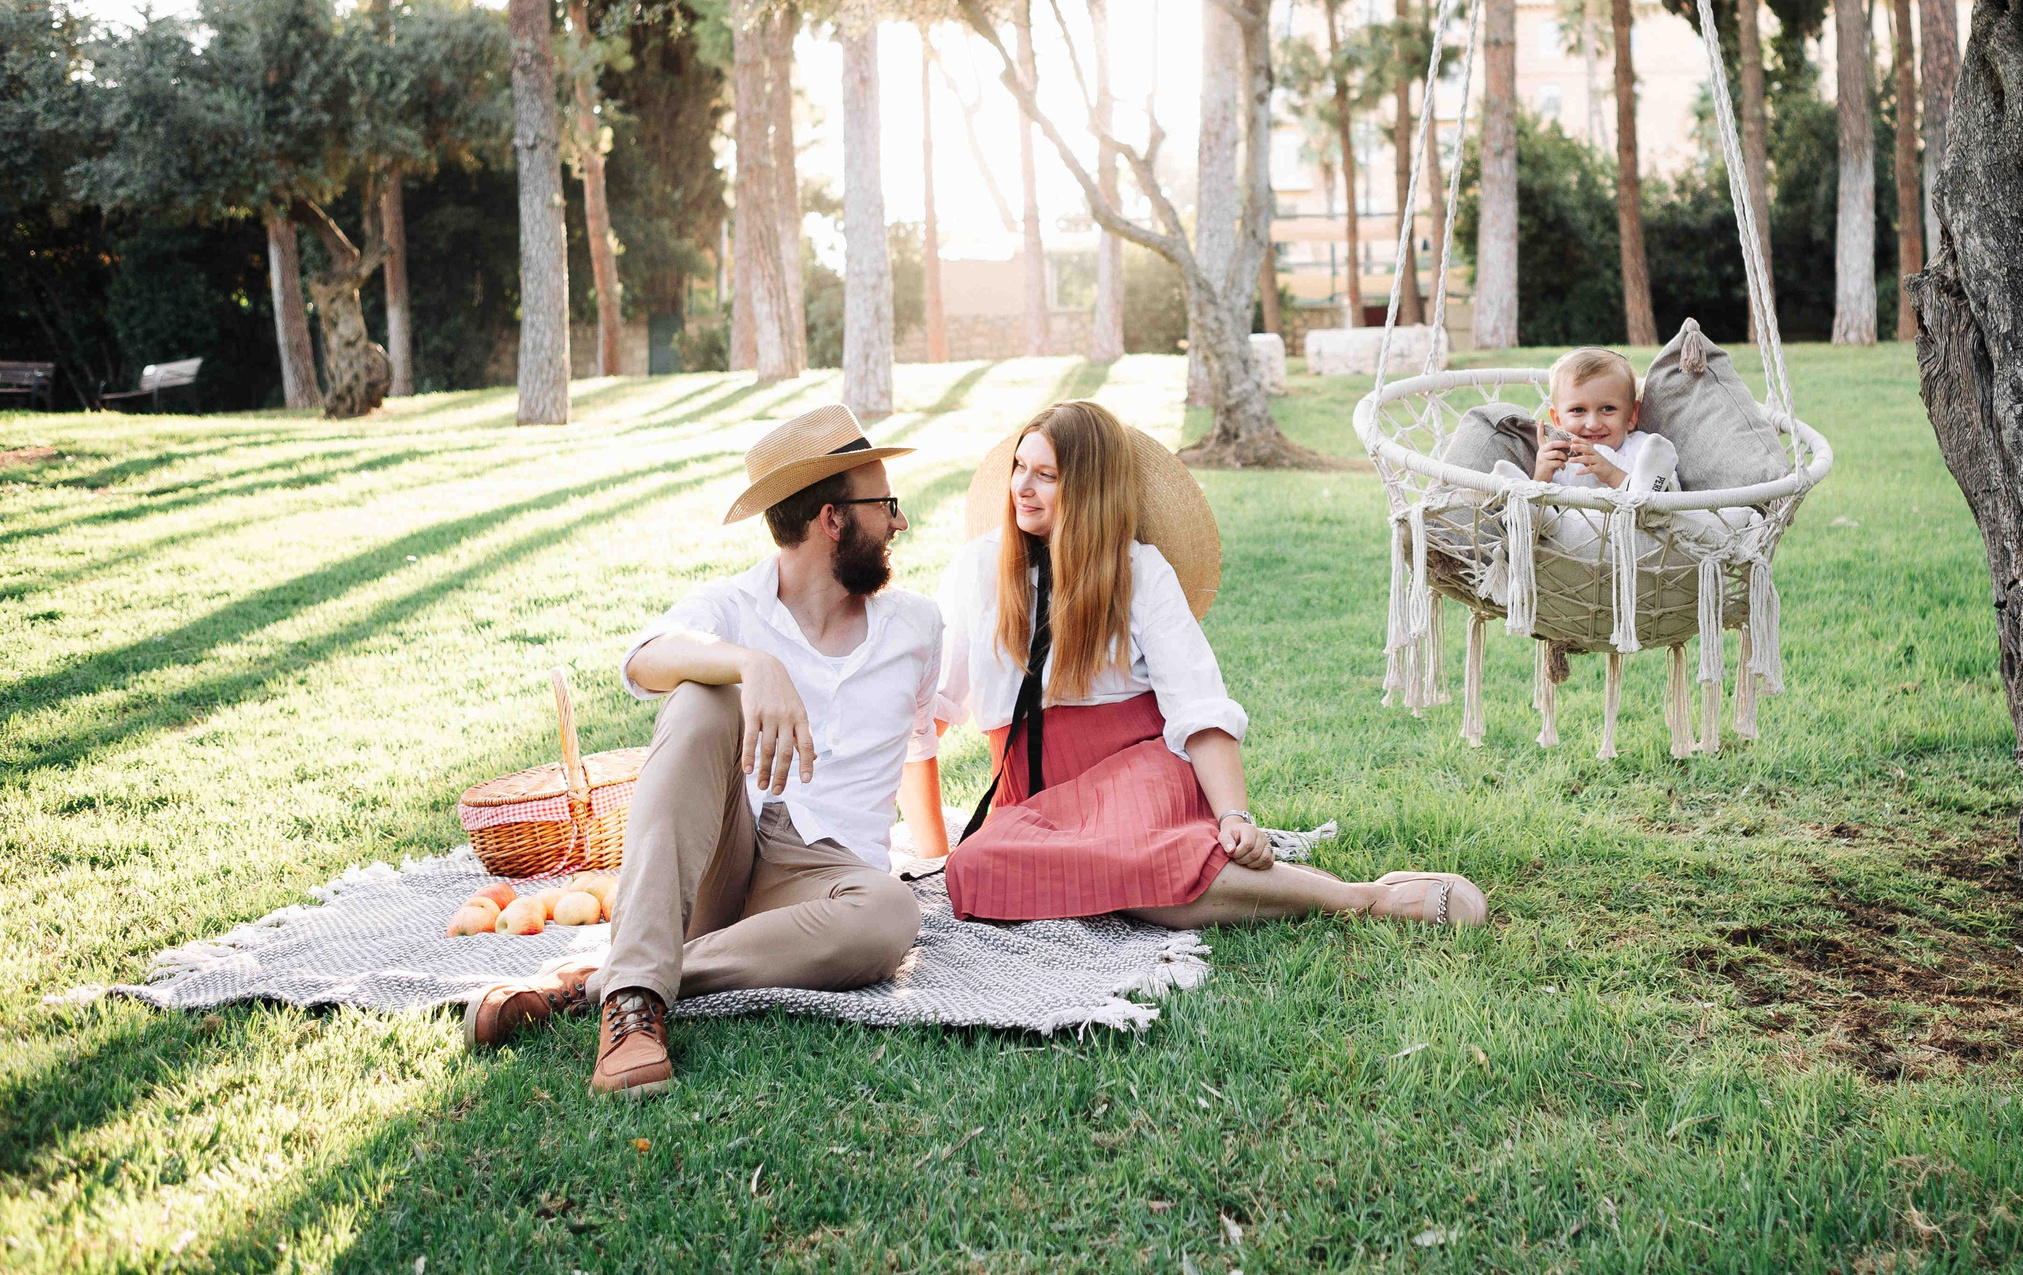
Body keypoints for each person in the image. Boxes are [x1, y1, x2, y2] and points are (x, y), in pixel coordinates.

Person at [468, 404, 951, 1097]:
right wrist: (751, 665)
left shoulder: (918, 625)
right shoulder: (733, 607)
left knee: (895, 914)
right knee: (702, 693)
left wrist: (940, 852)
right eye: (888, 504)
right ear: (832, 519)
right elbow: (642, 661)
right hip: (730, 856)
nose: (899, 521)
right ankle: (632, 1010)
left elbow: (915, 743)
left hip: (832, 887)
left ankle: (610, 983)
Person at [936, 400, 1485, 928]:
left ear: (1088, 490)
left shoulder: (1140, 571)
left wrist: (1234, 816)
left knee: (1137, 866)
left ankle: (1363, 899)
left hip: (1136, 765)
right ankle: (1170, 872)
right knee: (973, 870)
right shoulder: (977, 568)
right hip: (1030, 787)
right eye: (1018, 468)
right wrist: (921, 834)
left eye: (1046, 475)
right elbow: (933, 707)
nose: (1022, 488)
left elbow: (1198, 705)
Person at [1523, 346, 1679, 494]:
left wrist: (1611, 474)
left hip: (1633, 520)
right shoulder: (1558, 459)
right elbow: (1538, 516)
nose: (1593, 424)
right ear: (1558, 420)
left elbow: (1670, 494)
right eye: (1578, 410)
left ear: (1631, 415)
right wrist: (1541, 478)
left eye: (1608, 409)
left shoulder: (1646, 449)